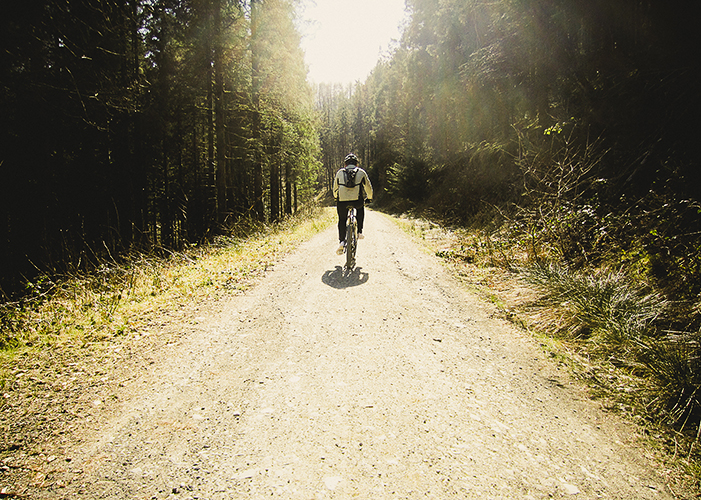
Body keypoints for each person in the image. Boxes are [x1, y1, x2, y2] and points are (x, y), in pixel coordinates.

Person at [333, 153, 373, 255]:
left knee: (342, 220)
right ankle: (359, 232)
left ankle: (342, 241)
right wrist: (369, 198)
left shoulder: (340, 172)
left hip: (342, 201)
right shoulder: (361, 172)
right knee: (360, 209)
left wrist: (335, 197)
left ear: (345, 164)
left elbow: (335, 188)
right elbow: (368, 187)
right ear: (356, 164)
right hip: (357, 201)